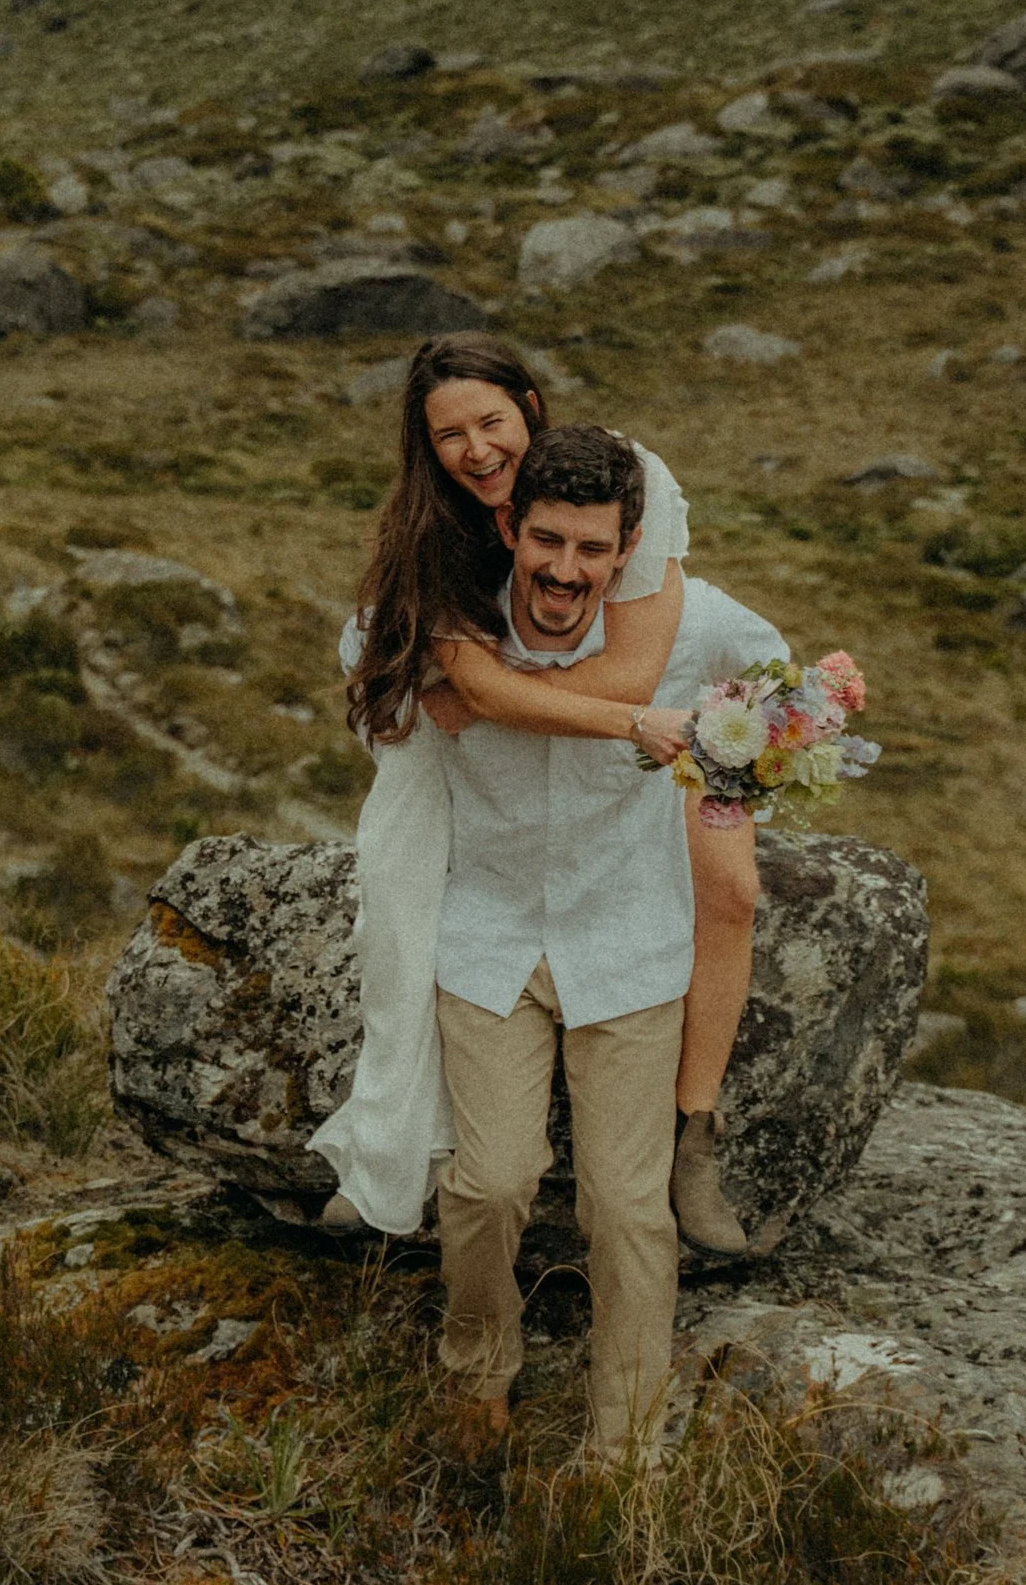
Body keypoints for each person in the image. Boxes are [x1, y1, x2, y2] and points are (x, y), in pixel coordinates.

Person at [314, 331, 760, 1252]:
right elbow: (453, 693)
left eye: (491, 421)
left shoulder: (625, 478)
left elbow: (632, 672)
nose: (476, 450)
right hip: (534, 716)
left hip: (648, 687)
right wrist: (474, 695)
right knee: (405, 907)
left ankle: (695, 1133)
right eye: (448, 435)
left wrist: (497, 699)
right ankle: (389, 1144)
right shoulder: (433, 533)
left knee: (730, 889)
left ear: (530, 406)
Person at [419, 421, 786, 1460]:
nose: (564, 570)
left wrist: (725, 791)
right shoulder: (457, 621)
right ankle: (477, 1375)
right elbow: (370, 665)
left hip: (627, 943)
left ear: (627, 549)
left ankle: (619, 1457)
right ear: (509, 526)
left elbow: (785, 687)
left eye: (591, 549)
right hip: (487, 937)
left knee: (628, 1210)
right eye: (545, 542)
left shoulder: (690, 622)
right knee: (489, 1181)